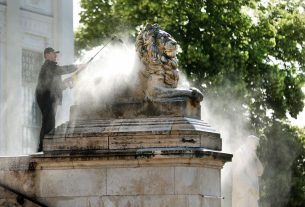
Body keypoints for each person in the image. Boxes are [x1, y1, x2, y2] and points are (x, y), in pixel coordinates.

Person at [35, 47, 85, 152]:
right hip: (46, 97)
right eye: (54, 53)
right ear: (47, 55)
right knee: (49, 122)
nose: (56, 55)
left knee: (49, 121)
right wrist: (77, 66)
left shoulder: (52, 69)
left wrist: (69, 81)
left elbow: (58, 86)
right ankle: (43, 147)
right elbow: (62, 70)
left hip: (50, 97)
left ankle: (43, 146)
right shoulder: (48, 66)